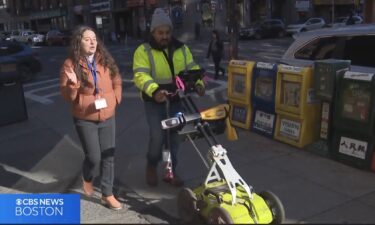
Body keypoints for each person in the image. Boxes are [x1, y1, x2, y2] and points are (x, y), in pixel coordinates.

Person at [132, 8, 205, 187]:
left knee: (173, 138)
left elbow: (192, 68)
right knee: (157, 136)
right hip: (154, 102)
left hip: (175, 100)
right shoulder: (143, 51)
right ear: (153, 32)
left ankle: (169, 170)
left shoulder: (182, 49)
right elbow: (141, 75)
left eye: (167, 32)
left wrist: (199, 84)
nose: (164, 36)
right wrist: (155, 91)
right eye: (160, 33)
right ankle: (151, 164)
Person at [60, 26, 123, 210]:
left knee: (109, 156)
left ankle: (107, 194)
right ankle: (87, 176)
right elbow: (67, 96)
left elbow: (117, 79)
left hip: (108, 115)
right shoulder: (70, 64)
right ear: (78, 42)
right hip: (84, 117)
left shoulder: (105, 60)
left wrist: (116, 98)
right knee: (94, 157)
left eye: (94, 38)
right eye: (87, 39)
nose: (92, 42)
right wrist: (72, 85)